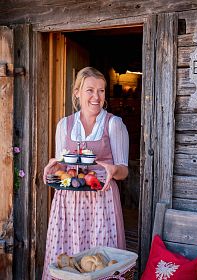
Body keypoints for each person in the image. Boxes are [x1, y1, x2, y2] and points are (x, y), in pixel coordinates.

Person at [42, 67, 129, 279]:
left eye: (101, 91)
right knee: (67, 258)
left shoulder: (114, 124)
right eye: (90, 90)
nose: (96, 97)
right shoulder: (64, 125)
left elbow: (124, 171)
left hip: (102, 200)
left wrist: (113, 169)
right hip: (68, 203)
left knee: (101, 262)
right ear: (77, 92)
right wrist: (55, 167)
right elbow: (63, 166)